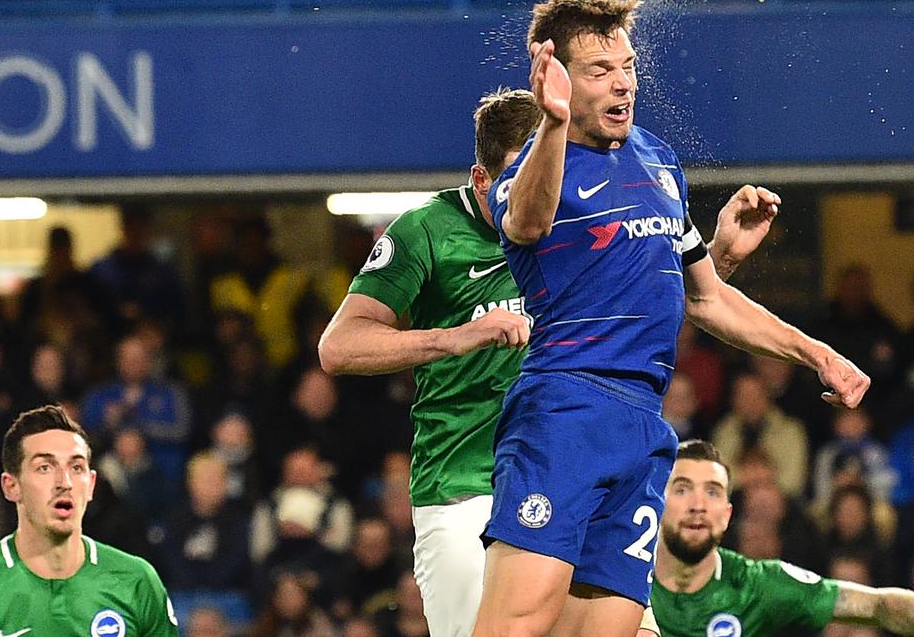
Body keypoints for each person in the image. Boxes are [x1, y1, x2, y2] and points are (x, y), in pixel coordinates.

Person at [475, 0, 870, 636]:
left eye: (626, 66)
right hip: (565, 415)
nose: (622, 83)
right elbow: (525, 222)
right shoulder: (530, 168)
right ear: (554, 74)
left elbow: (707, 297)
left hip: (643, 426)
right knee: (514, 628)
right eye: (599, 71)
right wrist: (548, 123)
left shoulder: (657, 161)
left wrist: (818, 355)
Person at [320, 86, 780, 637]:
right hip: (470, 486)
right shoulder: (428, 231)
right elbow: (340, 346)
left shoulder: (582, 213)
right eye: (517, 179)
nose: (536, 193)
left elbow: (641, 326)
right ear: (481, 180)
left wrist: (717, 260)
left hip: (575, 471)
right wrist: (459, 336)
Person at [651, 440, 914, 636]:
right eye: (681, 489)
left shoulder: (758, 585)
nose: (698, 505)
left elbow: (878, 605)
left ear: (727, 514)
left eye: (712, 492)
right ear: (656, 502)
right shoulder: (616, 581)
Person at [0, 405, 179, 635]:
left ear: (91, 485)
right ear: (11, 486)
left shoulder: (136, 581)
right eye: (44, 467)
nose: (64, 482)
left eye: (76, 467)